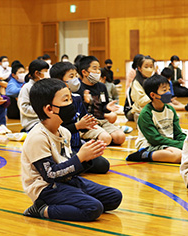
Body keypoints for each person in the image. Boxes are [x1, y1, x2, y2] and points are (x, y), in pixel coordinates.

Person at [22, 78, 122, 221]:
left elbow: (68, 165)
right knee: (93, 208)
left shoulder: (64, 132)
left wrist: (88, 158)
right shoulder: (38, 137)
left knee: (114, 197)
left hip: (67, 180)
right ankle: (42, 209)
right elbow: (50, 175)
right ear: (49, 109)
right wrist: (80, 157)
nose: (72, 103)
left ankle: (72, 197)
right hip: (47, 188)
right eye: (66, 100)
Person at [50, 61, 110, 174]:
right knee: (71, 167)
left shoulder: (77, 98)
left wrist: (89, 124)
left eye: (76, 76)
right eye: (71, 76)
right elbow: (56, 131)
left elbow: (83, 120)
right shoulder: (54, 103)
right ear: (59, 80)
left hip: (77, 145)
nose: (75, 79)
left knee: (103, 165)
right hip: (62, 148)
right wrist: (78, 126)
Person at [126, 75, 186, 163]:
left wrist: (186, 142)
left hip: (168, 142)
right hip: (150, 144)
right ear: (153, 95)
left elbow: (178, 133)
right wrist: (181, 145)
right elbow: (155, 139)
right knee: (178, 155)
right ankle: (143, 155)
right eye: (164, 90)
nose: (168, 92)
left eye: (169, 89)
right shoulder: (146, 113)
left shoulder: (170, 109)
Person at [75, 56, 125, 146]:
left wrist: (107, 107)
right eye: (94, 68)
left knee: (120, 137)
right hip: (88, 123)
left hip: (102, 120)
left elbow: (104, 107)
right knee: (105, 138)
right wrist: (86, 102)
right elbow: (79, 112)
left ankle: (100, 136)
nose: (98, 71)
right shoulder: (78, 88)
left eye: (99, 68)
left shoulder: (101, 86)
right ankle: (86, 137)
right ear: (84, 72)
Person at [18, 59, 49, 132]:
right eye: (45, 72)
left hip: (45, 120)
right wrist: (42, 111)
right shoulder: (27, 88)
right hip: (32, 123)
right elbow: (24, 108)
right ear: (37, 73)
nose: (47, 74)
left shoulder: (45, 86)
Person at [127, 55, 154, 122]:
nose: (149, 69)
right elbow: (141, 101)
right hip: (134, 110)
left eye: (151, 67)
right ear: (139, 68)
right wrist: (155, 97)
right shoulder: (136, 82)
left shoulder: (153, 79)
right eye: (146, 67)